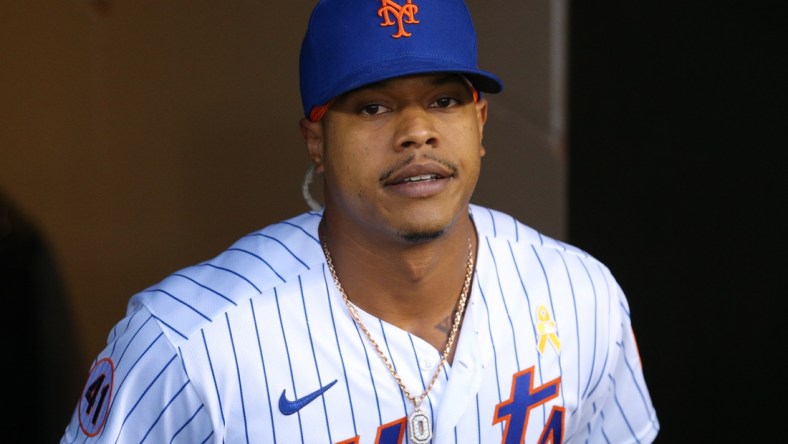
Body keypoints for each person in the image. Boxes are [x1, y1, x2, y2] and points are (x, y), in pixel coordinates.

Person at [60, 0, 660, 442]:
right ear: (316, 141)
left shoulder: (581, 295)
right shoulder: (190, 341)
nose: (416, 132)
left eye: (444, 100)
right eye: (373, 106)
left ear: (480, 123)